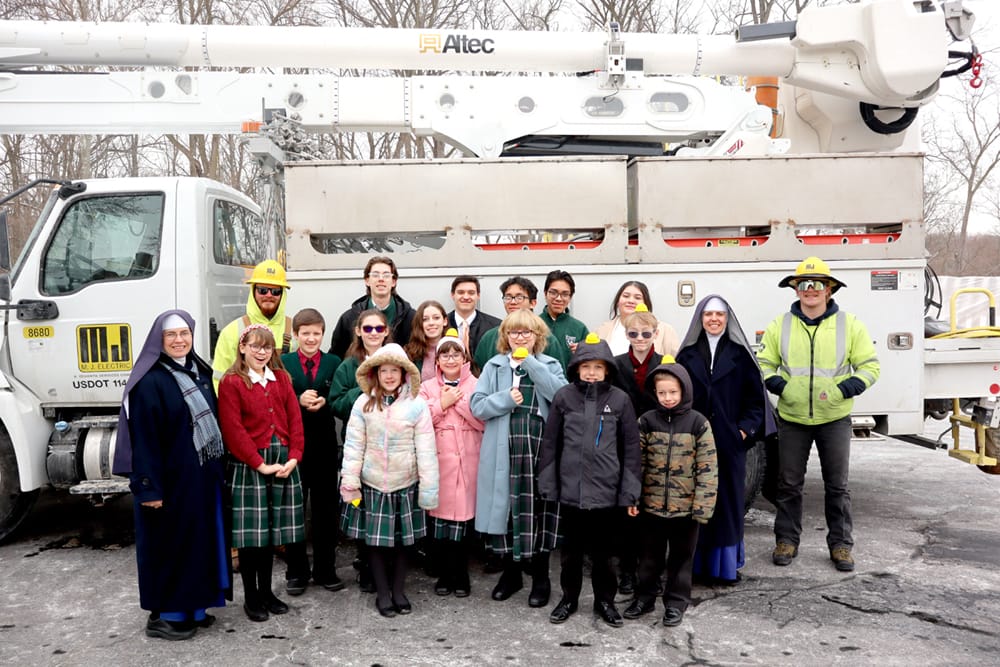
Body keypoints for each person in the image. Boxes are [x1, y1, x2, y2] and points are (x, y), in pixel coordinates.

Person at [758, 257, 880, 572]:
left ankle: (841, 546)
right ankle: (786, 540)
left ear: (829, 289)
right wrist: (781, 386)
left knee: (837, 486)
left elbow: (870, 366)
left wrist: (846, 388)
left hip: (834, 417)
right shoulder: (780, 324)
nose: (809, 290)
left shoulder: (849, 324)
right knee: (788, 484)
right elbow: (764, 363)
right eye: (803, 284)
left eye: (816, 284)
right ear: (796, 289)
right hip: (793, 418)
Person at [113, 310, 230, 640]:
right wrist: (148, 489)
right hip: (168, 485)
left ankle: (194, 607)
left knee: (197, 544)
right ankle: (166, 615)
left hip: (201, 482)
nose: (179, 340)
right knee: (170, 546)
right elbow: (144, 441)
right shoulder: (150, 381)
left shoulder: (199, 373)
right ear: (159, 342)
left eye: (184, 334)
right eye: (171, 335)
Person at [538, 334, 641, 627]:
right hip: (571, 493)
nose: (592, 372)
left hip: (607, 495)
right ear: (576, 368)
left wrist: (630, 492)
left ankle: (604, 602)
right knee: (570, 554)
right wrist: (548, 483)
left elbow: (631, 449)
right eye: (586, 366)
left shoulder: (620, 400)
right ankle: (569, 599)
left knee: (604, 555)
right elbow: (551, 444)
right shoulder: (564, 397)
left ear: (607, 369)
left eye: (598, 366)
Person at [471, 309, 567, 608]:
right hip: (505, 448)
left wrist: (533, 366)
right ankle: (511, 575)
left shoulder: (549, 363)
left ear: (537, 336)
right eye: (514, 332)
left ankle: (541, 577)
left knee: (538, 510)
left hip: (540, 449)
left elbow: (561, 397)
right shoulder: (494, 365)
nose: (520, 337)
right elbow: (477, 406)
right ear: (506, 336)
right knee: (509, 510)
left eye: (526, 332)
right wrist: (505, 400)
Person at [676, 295, 771, 585]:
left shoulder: (742, 356)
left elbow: (756, 404)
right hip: (694, 445)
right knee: (695, 505)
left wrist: (743, 431)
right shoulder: (687, 355)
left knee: (727, 505)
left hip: (729, 445)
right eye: (708, 314)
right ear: (699, 319)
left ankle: (725, 568)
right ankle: (693, 566)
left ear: (727, 318)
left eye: (719, 314)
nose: (714, 319)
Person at [340, 343, 439, 617]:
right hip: (372, 483)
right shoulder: (363, 403)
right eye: (384, 370)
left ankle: (398, 590)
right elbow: (353, 445)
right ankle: (383, 593)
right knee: (375, 542)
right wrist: (350, 481)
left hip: (405, 482)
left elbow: (427, 449)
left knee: (404, 542)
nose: (389, 376)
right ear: (375, 373)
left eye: (395, 370)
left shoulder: (417, 405)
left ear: (405, 373)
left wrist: (429, 488)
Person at [218, 324, 305, 622]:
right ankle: (251, 597)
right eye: (254, 346)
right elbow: (233, 430)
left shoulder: (281, 378)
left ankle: (267, 592)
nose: (260, 352)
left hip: (282, 461)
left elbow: (295, 418)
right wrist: (258, 463)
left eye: (266, 347)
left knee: (270, 535)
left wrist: (294, 456)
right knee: (251, 538)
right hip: (250, 464)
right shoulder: (231, 382)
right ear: (242, 348)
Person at [623, 356, 717, 628]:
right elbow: (635, 463)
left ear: (684, 390)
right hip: (651, 507)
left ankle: (676, 602)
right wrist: (633, 496)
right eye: (662, 392)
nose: (667, 397)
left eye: (673, 392)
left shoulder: (698, 423)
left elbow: (708, 467)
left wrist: (702, 506)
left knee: (681, 559)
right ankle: (645, 597)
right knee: (649, 557)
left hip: (685, 510)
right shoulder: (647, 421)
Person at [280, 308, 345, 596]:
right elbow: (275, 400)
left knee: (325, 509)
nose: (310, 338)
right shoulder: (284, 363)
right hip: (293, 446)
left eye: (316, 333)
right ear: (296, 335)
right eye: (305, 333)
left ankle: (325, 569)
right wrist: (297, 399)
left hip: (324, 444)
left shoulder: (333, 362)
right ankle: (296, 571)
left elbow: (341, 396)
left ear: (322, 333)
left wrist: (325, 404)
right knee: (294, 508)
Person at [419, 328, 485, 598]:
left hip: (468, 461)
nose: (449, 359)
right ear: (437, 360)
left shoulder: (477, 384)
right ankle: (444, 573)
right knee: (441, 525)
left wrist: (458, 404)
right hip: (439, 464)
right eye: (443, 354)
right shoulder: (426, 387)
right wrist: (441, 403)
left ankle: (461, 574)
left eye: (455, 353)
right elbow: (419, 421)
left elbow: (483, 420)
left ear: (464, 357)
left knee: (462, 523)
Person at [330, 308, 392, 592]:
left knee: (388, 510)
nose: (374, 334)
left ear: (386, 331)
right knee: (360, 507)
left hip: (390, 450)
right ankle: (365, 563)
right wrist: (363, 387)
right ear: (358, 332)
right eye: (368, 329)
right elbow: (337, 404)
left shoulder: (395, 360)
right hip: (359, 448)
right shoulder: (347, 366)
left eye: (379, 329)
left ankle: (387, 565)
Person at [609, 303, 662, 595]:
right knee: (626, 510)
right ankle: (626, 570)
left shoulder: (665, 362)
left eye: (645, 333)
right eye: (634, 333)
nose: (640, 338)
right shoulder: (617, 365)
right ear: (626, 334)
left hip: (656, 442)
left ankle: (650, 569)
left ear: (655, 333)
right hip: (624, 442)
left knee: (653, 510)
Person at [212, 259, 294, 390]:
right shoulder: (232, 331)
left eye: (275, 291)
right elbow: (219, 379)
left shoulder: (295, 330)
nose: (268, 295)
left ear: (282, 294)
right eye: (262, 290)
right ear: (253, 291)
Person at [329, 257, 416, 359]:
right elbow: (336, 356)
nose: (381, 279)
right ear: (367, 281)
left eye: (386, 275)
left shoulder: (411, 318)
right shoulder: (349, 318)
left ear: (393, 282)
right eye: (375, 275)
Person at [473, 276, 566, 372]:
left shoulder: (546, 338)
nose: (513, 302)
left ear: (533, 303)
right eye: (508, 297)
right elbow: (477, 375)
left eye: (519, 297)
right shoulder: (490, 337)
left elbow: (558, 380)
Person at [596, 280, 679, 357]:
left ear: (646, 303)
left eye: (637, 298)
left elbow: (676, 362)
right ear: (618, 301)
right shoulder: (602, 330)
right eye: (626, 296)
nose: (631, 301)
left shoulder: (664, 330)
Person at [538, 270, 589, 373]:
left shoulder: (579, 328)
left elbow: (590, 362)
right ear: (545, 293)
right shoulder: (533, 324)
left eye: (565, 294)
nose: (558, 298)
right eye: (553, 293)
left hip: (570, 386)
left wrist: (582, 353)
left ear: (570, 297)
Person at [447, 274, 502, 356]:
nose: (466, 297)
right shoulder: (441, 325)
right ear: (452, 295)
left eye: (471, 293)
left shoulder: (496, 326)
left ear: (478, 295)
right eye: (461, 292)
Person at [404, 300, 448, 380]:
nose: (431, 323)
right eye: (425, 319)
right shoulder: (410, 353)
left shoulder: (456, 349)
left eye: (436, 318)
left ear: (445, 321)